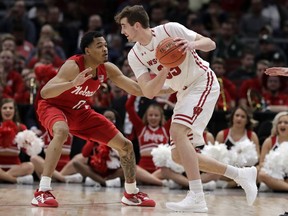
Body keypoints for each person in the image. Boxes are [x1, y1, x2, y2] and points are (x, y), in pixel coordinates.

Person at [115, 5, 258, 212]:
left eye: (124, 26)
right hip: (183, 93)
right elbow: (148, 91)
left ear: (137, 25)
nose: (122, 32)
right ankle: (240, 174)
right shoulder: (135, 56)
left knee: (177, 131)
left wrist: (192, 44)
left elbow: (210, 43)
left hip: (202, 81)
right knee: (178, 155)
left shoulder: (170, 30)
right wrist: (164, 68)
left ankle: (197, 196)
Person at [31, 31, 156, 208]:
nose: (105, 49)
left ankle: (131, 193)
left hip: (80, 112)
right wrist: (73, 83)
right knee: (62, 131)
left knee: (126, 145)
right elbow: (45, 93)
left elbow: (136, 88)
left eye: (105, 45)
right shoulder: (73, 66)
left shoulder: (108, 69)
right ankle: (42, 191)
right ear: (87, 51)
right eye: (99, 46)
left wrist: (166, 88)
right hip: (53, 107)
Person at [0, 98, 34, 184]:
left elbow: (28, 151)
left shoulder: (21, 127)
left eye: (11, 108)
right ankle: (15, 180)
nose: (8, 110)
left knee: (30, 166)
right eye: (5, 108)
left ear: (15, 111)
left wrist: (27, 144)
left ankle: (3, 177)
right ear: (0, 110)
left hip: (16, 168)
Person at [258, 111, 288, 192]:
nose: (282, 125)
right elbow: (261, 163)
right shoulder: (270, 141)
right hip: (273, 175)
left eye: (286, 122)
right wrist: (272, 166)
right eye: (280, 122)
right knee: (261, 174)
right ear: (276, 126)